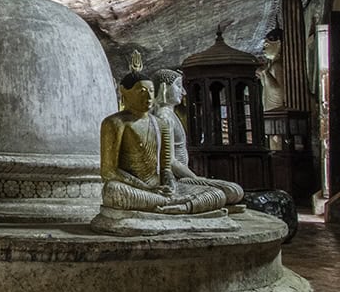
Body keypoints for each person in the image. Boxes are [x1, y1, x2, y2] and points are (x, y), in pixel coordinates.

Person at [100, 70, 227, 214]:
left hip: (160, 189)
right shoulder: (115, 123)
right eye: (142, 91)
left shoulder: (161, 124)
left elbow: (166, 169)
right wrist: (147, 188)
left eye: (151, 91)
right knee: (113, 190)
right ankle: (181, 204)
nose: (148, 96)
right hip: (137, 190)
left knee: (220, 194)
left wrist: (170, 185)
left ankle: (181, 206)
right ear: (124, 92)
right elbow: (108, 171)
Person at [151, 69, 244, 204]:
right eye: (178, 86)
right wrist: (196, 178)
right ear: (164, 88)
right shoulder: (164, 116)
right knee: (232, 191)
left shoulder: (169, 114)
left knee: (234, 191)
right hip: (174, 178)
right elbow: (169, 161)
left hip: (183, 176)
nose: (183, 92)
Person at [256, 28, 286, 111]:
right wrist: (262, 74)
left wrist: (265, 73)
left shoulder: (276, 66)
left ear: (278, 44)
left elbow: (279, 92)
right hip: (270, 109)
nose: (263, 50)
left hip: (277, 108)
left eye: (266, 45)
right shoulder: (271, 66)